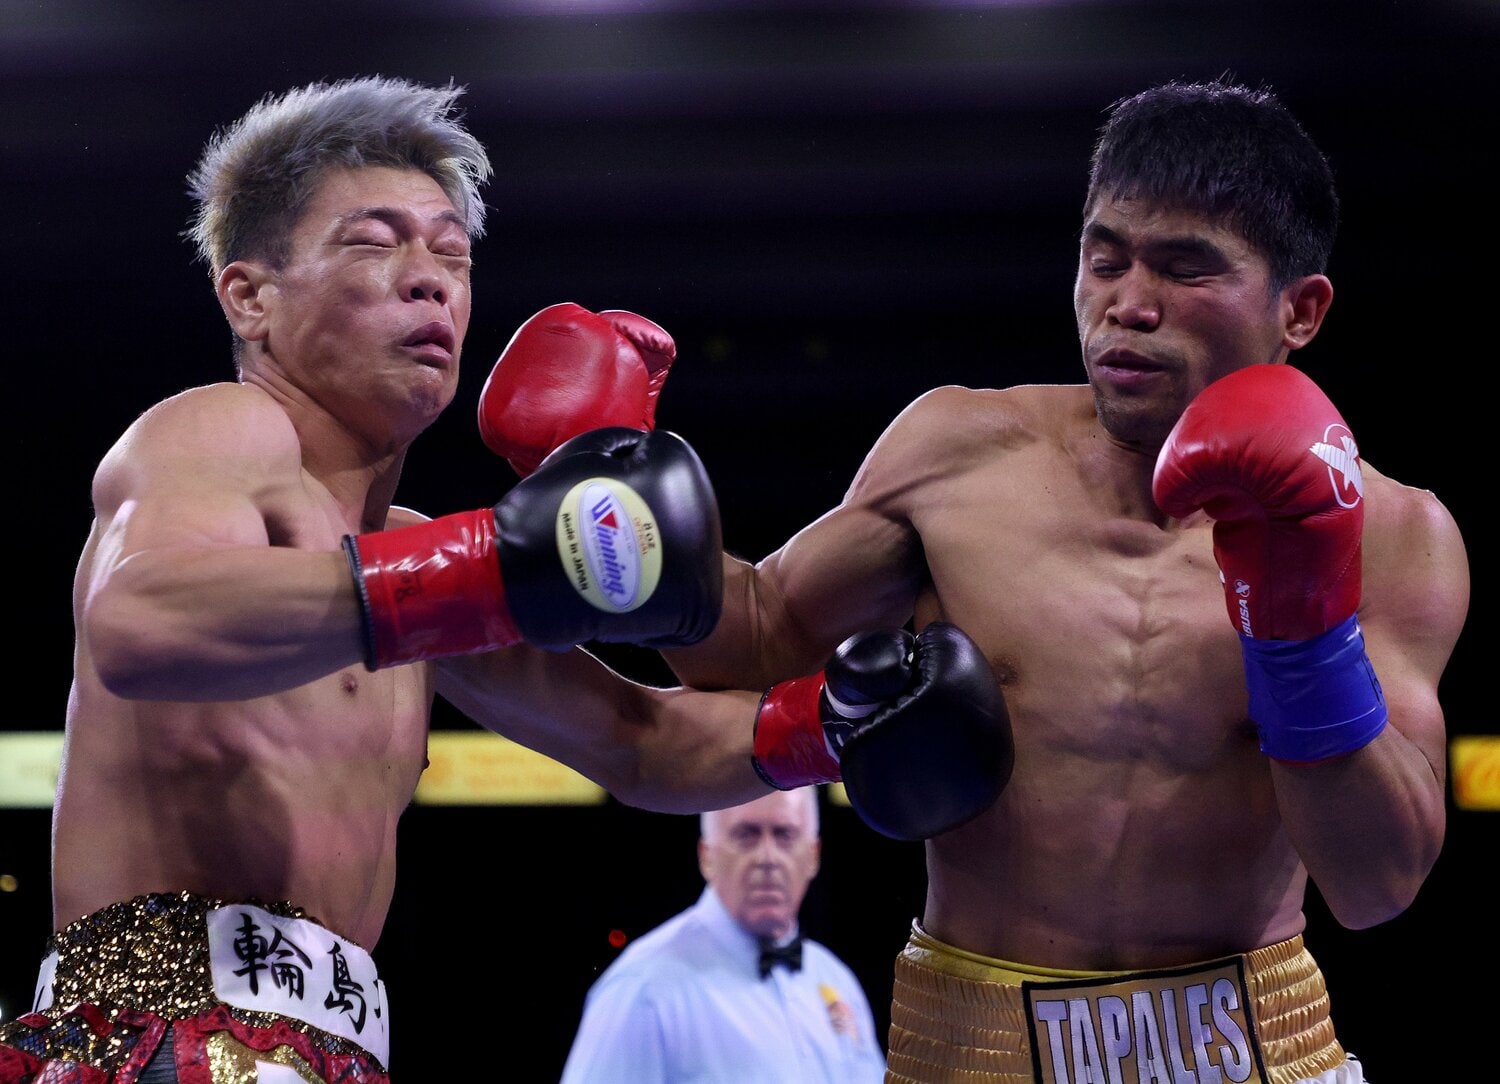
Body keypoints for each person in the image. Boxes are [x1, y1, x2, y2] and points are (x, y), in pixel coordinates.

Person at [490, 79, 1471, 1082]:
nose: (1129, 305)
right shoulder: (962, 454)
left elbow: (1376, 882)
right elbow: (752, 640)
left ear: (1299, 310)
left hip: (1249, 1048)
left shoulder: (1396, 534)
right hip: (973, 1045)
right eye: (1105, 258)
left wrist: (1300, 622)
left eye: (1185, 270)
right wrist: (611, 500)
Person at [0, 76, 797, 1084]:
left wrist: (840, 722)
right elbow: (139, 620)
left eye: (451, 253)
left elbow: (644, 746)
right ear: (250, 296)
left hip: (331, 1046)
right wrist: (494, 567)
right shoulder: (219, 434)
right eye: (375, 244)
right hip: (151, 1020)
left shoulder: (418, 556)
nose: (430, 280)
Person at [559, 788, 887, 1083]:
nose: (768, 858)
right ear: (707, 856)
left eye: (785, 835)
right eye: (747, 835)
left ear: (813, 856)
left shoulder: (835, 980)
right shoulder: (643, 989)